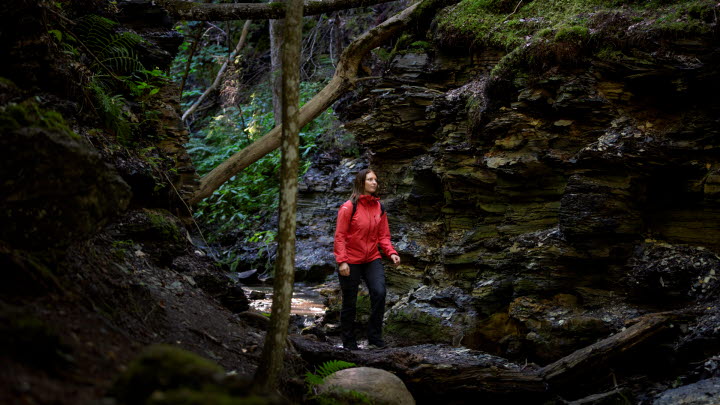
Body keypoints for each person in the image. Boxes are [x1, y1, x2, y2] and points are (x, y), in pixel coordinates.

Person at [333, 169, 401, 350]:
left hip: (372, 257)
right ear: (361, 182)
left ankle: (375, 338)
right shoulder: (349, 207)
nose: (374, 183)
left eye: (375, 180)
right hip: (350, 260)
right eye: (370, 179)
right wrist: (342, 261)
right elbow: (340, 236)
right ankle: (349, 343)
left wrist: (391, 252)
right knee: (350, 301)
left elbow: (383, 236)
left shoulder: (379, 207)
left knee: (379, 293)